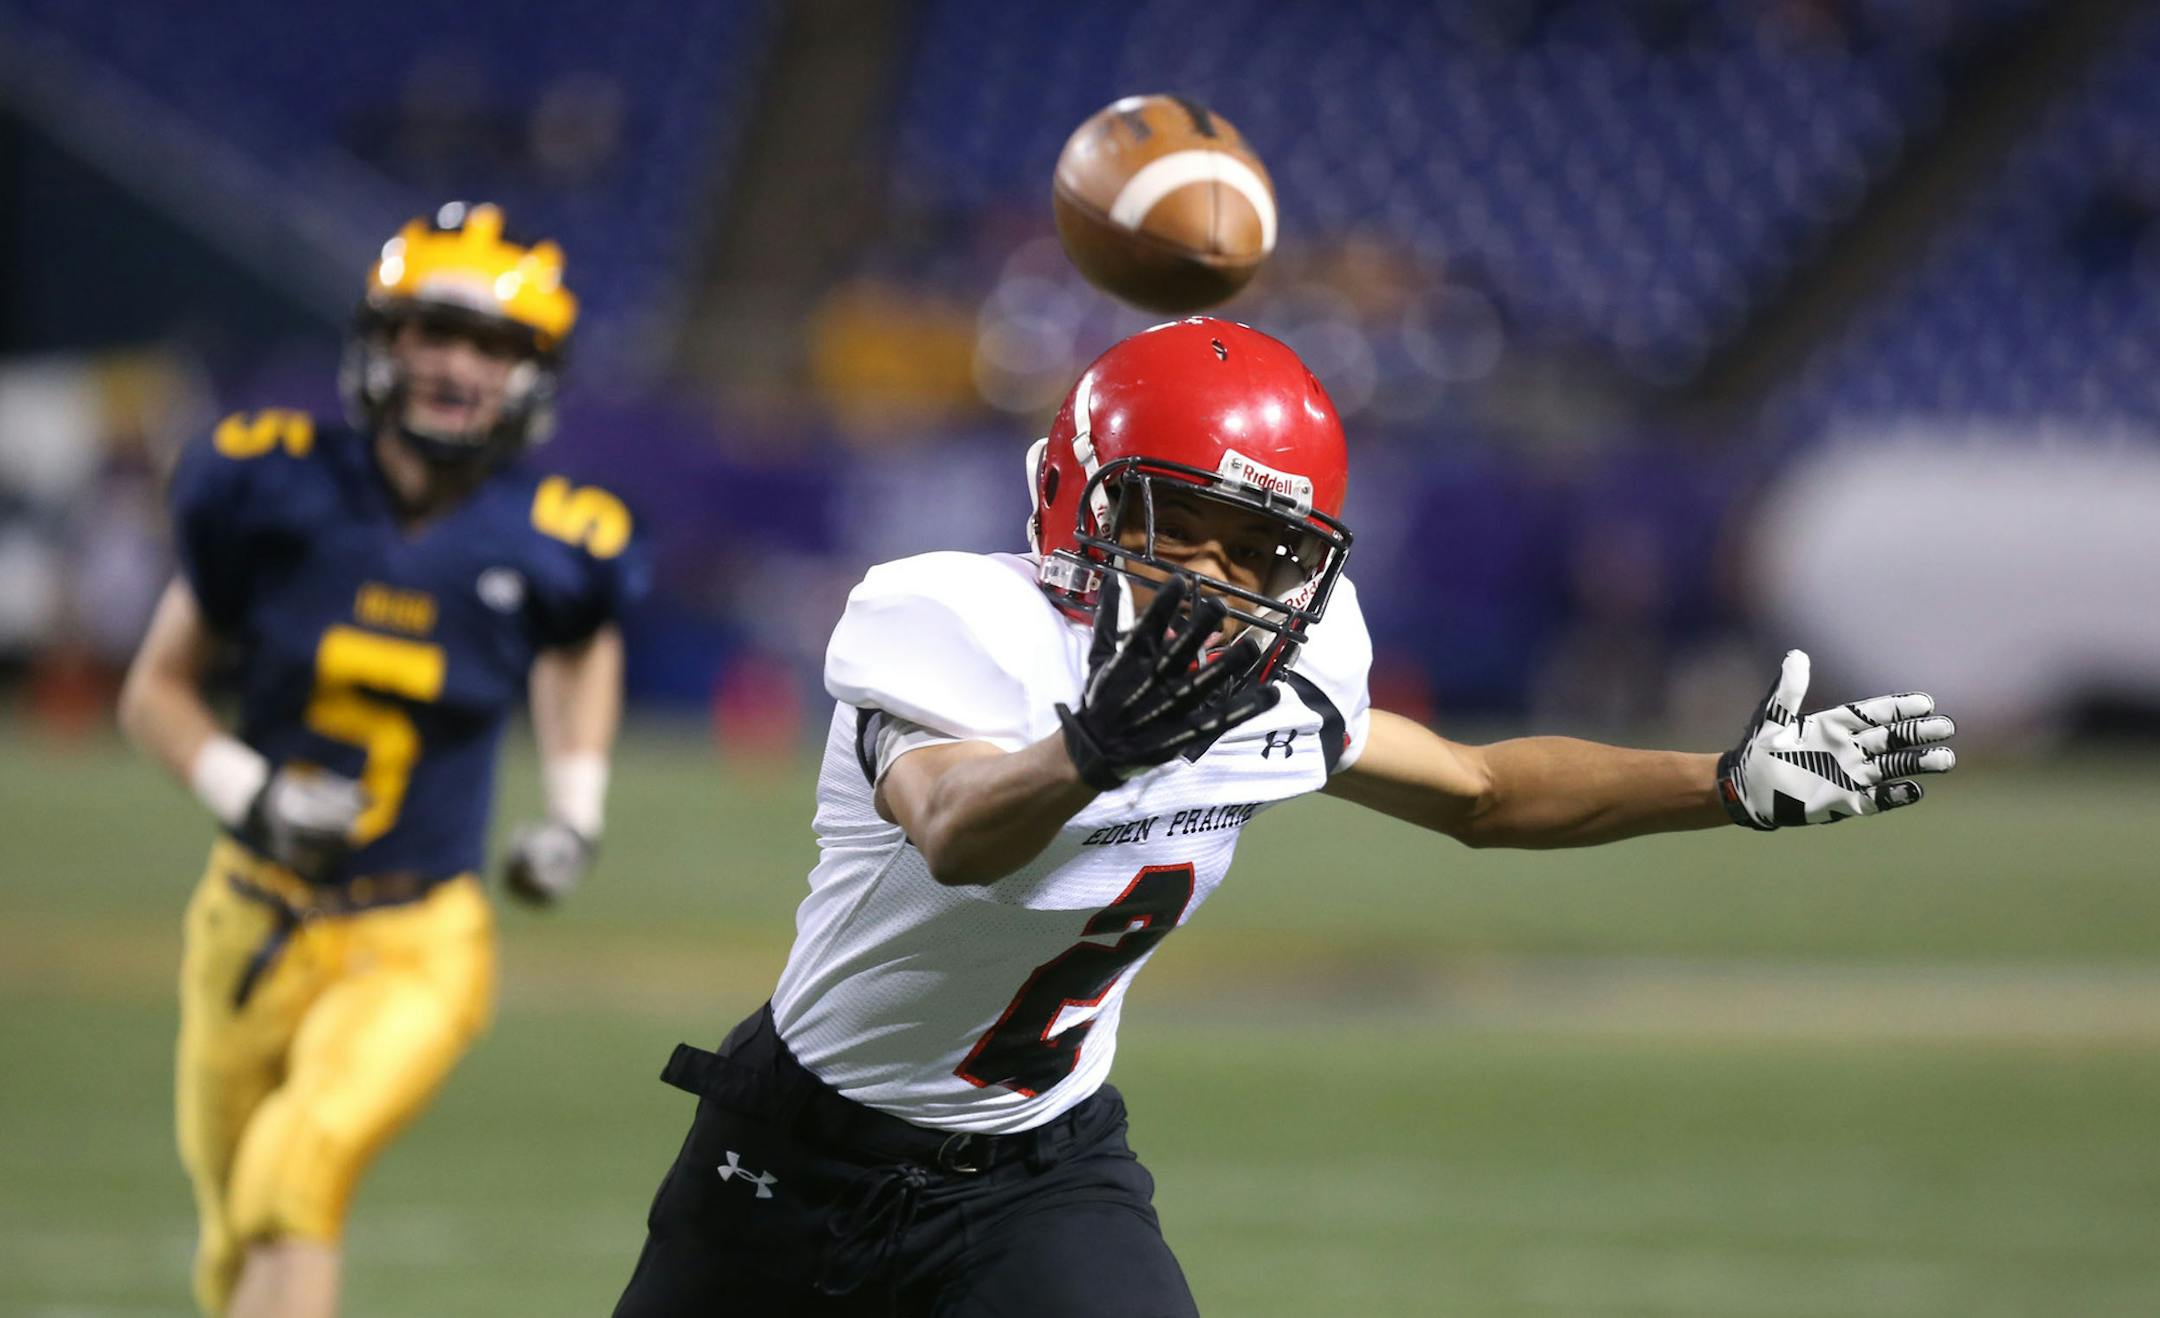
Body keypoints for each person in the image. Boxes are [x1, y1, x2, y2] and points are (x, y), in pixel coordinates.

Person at [610, 317, 1956, 1317]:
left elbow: (1481, 792)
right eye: (1183, 524)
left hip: (1034, 1169)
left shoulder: (1283, 681)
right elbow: (956, 824)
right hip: (796, 1150)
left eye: (1261, 552)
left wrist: (1722, 786)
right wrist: (1091, 751)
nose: (1218, 575)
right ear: (1081, 500)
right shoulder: (952, 618)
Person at [118, 201, 646, 1318]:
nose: (459, 365)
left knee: (296, 1169)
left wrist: (576, 809)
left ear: (531, 374)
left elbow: (580, 641)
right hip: (247, 917)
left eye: (494, 344)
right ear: (382, 340)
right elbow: (154, 689)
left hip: (416, 935)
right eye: (434, 331)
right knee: (231, 1239)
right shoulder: (266, 484)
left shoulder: (555, 535)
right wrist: (251, 791)